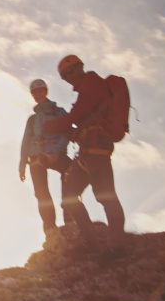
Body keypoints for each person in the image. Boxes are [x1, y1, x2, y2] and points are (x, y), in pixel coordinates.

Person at [43, 55, 125, 237]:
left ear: (79, 68)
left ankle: (118, 242)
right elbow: (81, 120)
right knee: (71, 198)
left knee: (105, 196)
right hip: (88, 151)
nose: (69, 78)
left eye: (69, 73)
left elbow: (75, 116)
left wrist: (51, 127)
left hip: (96, 149)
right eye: (65, 76)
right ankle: (90, 238)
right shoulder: (88, 89)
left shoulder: (92, 84)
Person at [19, 79, 73, 237]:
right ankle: (50, 230)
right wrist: (22, 164)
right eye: (34, 92)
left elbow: (67, 133)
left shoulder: (60, 112)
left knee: (71, 177)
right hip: (36, 157)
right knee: (41, 194)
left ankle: (70, 218)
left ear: (45, 91)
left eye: (39, 91)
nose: (37, 95)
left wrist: (57, 151)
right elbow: (26, 141)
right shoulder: (32, 120)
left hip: (57, 154)